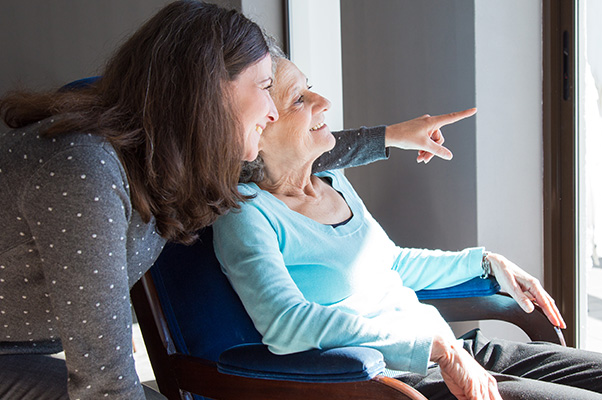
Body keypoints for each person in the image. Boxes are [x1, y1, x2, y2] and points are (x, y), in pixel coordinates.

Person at [0, 2, 471, 399]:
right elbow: (103, 378)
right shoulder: (84, 169)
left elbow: (287, 149)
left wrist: (391, 138)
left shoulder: (176, 160)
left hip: (22, 349)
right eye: (267, 88)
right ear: (209, 90)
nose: (271, 112)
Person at [212, 57, 602, 400]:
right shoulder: (247, 215)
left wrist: (485, 262)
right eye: (299, 99)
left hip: (453, 349)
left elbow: (391, 264)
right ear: (258, 127)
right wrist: (435, 348)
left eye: (309, 86)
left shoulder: (332, 181)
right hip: (400, 380)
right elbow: (287, 326)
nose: (323, 101)